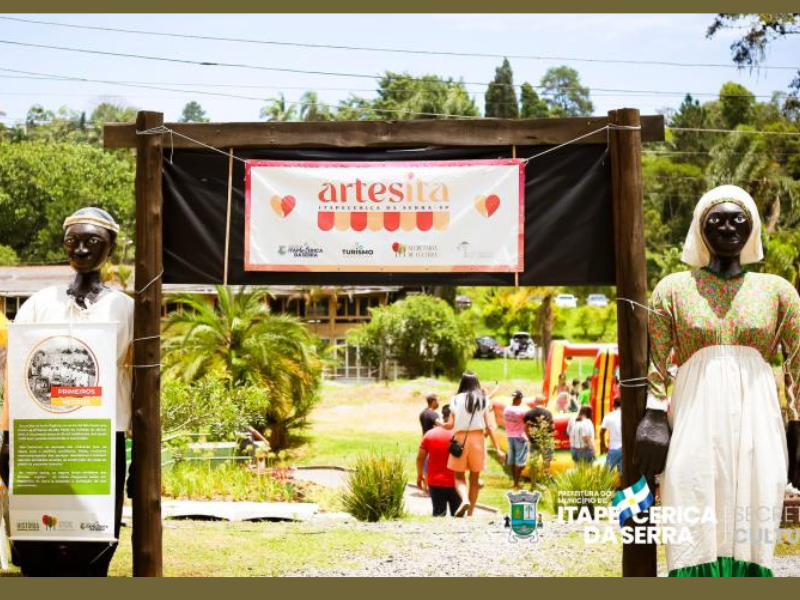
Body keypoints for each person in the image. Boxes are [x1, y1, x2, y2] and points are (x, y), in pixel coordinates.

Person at [635, 185, 800, 577]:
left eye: (737, 219)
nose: (727, 227)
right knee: (689, 501)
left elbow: (796, 365)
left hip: (758, 420)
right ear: (700, 228)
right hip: (693, 419)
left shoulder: (778, 292)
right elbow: (658, 364)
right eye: (717, 220)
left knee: (753, 514)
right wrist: (655, 415)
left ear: (754, 227)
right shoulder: (673, 289)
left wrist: (797, 423)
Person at [0, 207, 133, 577]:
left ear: (111, 246)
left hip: (101, 443)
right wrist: (7, 438)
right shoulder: (38, 305)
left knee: (94, 542)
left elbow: (139, 381)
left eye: (93, 241)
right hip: (42, 440)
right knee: (36, 540)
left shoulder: (127, 309)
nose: (81, 250)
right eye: (73, 241)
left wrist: (144, 455)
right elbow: (16, 373)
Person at [442, 372, 506, 517]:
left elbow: (450, 424)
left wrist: (441, 424)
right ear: (476, 383)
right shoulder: (483, 399)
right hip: (478, 439)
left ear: (462, 383)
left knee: (458, 476)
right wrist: (497, 449)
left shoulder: (455, 399)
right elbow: (489, 426)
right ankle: (470, 514)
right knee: (474, 479)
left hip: (460, 439)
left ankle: (464, 499)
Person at [416, 404, 459, 517]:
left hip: (435, 482)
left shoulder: (429, 434)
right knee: (459, 518)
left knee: (438, 516)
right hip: (456, 482)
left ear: (442, 416)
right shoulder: (459, 435)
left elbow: (420, 458)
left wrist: (420, 475)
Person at [503, 390, 529, 489]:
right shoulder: (521, 411)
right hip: (520, 437)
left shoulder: (506, 409)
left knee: (512, 461)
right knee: (520, 462)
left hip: (510, 436)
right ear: (519, 399)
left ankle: (515, 481)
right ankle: (516, 483)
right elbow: (527, 421)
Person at [524, 396, 555, 478]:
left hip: (534, 441)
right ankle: (546, 478)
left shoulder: (529, 413)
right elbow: (553, 427)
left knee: (534, 462)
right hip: (546, 440)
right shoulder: (548, 413)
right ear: (543, 402)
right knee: (547, 462)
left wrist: (529, 437)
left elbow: (526, 428)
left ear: (535, 402)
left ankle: (533, 482)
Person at [600, 397, 622, 474]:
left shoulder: (609, 416)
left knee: (607, 474)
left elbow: (602, 432)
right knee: (623, 474)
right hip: (626, 449)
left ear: (614, 405)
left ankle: (610, 486)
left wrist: (603, 445)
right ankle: (623, 486)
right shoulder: (627, 415)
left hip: (614, 448)